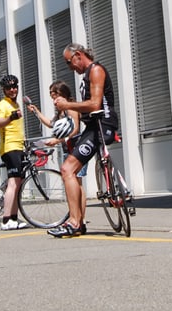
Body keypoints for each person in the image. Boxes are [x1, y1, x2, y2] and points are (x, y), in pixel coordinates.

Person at [47, 43, 119, 238]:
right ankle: (77, 221)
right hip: (93, 127)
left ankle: (74, 222)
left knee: (67, 169)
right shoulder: (85, 75)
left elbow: (95, 103)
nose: (70, 67)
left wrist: (68, 104)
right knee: (70, 171)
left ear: (78, 55)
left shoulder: (95, 70)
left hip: (102, 126)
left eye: (69, 62)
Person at [27, 80, 86, 231]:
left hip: (77, 147)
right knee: (71, 183)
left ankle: (81, 220)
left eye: (56, 96)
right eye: (52, 97)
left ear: (64, 94)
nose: (54, 100)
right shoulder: (60, 111)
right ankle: (76, 218)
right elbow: (51, 124)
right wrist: (37, 112)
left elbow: (75, 130)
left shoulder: (71, 108)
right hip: (67, 149)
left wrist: (58, 140)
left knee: (77, 184)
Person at [0, 74, 28, 230]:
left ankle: (14, 218)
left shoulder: (15, 105)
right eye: (9, 87)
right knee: (13, 183)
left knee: (18, 183)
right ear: (4, 90)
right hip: (9, 148)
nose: (13, 90)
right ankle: (6, 219)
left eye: (15, 86)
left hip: (18, 146)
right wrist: (12, 117)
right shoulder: (3, 105)